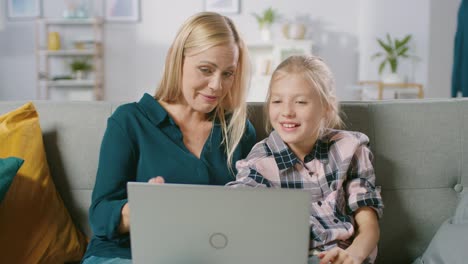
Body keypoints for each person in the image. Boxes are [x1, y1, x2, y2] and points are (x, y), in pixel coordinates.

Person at [82, 12, 256, 263]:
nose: (217, 86)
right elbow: (99, 215)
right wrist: (143, 209)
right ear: (178, 60)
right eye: (206, 69)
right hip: (124, 255)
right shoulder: (130, 121)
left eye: (228, 74)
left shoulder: (238, 130)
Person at [227, 55, 384, 264]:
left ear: (326, 107)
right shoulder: (260, 161)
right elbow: (235, 204)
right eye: (277, 101)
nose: (287, 112)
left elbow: (369, 225)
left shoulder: (350, 147)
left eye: (300, 102)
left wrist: (353, 255)